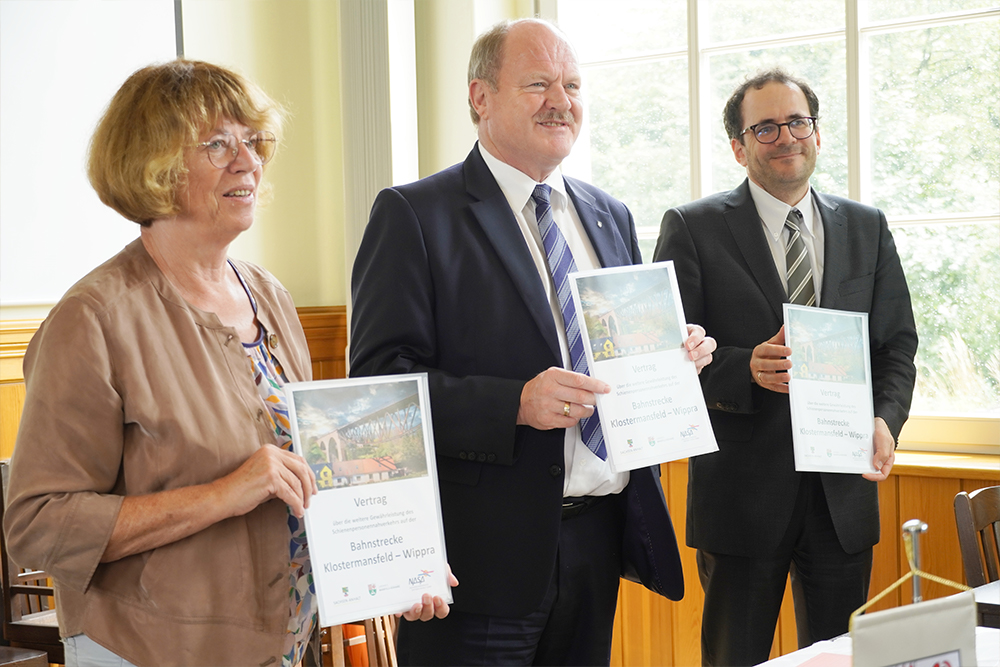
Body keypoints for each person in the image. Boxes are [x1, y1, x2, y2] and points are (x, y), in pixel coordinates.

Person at [2, 60, 450, 667]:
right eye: (217, 144)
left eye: (252, 140)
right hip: (152, 649)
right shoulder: (94, 318)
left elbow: (312, 471)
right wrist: (223, 494)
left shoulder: (267, 292)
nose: (248, 161)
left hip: (284, 641)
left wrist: (394, 563)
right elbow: (39, 524)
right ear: (153, 164)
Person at [350, 18, 716, 666]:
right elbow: (377, 390)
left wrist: (669, 353)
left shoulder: (610, 213)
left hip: (596, 543)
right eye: (539, 83)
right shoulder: (415, 214)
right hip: (477, 560)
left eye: (572, 84)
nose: (561, 100)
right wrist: (513, 402)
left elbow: (617, 357)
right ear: (480, 98)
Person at [653, 68, 918, 666]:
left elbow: (896, 345)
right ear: (739, 147)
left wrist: (885, 421)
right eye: (765, 127)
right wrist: (746, 368)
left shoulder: (867, 227)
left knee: (838, 659)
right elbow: (666, 359)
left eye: (797, 122)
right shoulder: (693, 228)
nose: (785, 137)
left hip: (843, 494)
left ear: (817, 134)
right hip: (742, 499)